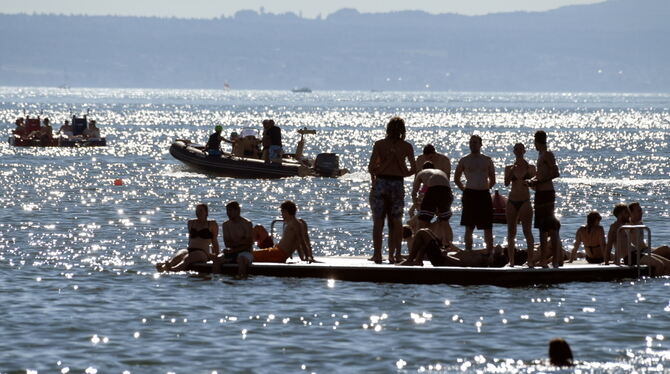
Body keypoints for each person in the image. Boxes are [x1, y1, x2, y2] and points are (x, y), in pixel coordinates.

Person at [367, 117, 417, 264]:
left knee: (379, 221)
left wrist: (388, 162)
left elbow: (371, 168)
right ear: (402, 130)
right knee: (395, 221)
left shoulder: (381, 144)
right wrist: (400, 167)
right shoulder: (406, 146)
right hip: (396, 183)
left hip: (382, 182)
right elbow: (413, 169)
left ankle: (378, 255)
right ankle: (394, 255)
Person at [454, 135, 496, 253]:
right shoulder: (464, 160)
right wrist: (464, 189)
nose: (473, 145)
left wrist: (487, 188)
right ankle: (468, 252)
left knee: (487, 226)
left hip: (484, 194)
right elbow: (456, 178)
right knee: (469, 226)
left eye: (475, 142)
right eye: (471, 142)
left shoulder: (487, 160)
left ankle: (489, 253)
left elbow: (493, 179)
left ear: (480, 144)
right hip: (470, 194)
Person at [527, 130, 561, 268]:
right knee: (541, 227)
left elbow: (555, 173)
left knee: (551, 227)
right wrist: (531, 181)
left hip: (547, 193)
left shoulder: (548, 154)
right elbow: (540, 175)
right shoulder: (540, 155)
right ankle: (543, 260)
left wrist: (538, 182)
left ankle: (555, 260)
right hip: (539, 193)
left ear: (537, 141)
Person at [156, 204, 220, 272]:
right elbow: (190, 239)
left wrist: (217, 256)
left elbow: (214, 241)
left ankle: (173, 269)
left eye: (201, 211)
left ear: (206, 212)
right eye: (197, 211)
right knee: (179, 255)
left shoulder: (212, 224)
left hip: (203, 253)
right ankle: (164, 267)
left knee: (187, 259)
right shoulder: (191, 223)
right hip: (190, 250)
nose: (198, 213)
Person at [504, 143, 536, 267]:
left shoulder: (530, 168)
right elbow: (506, 183)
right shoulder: (509, 167)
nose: (518, 151)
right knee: (511, 233)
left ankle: (530, 261)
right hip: (512, 201)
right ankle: (511, 261)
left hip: (525, 201)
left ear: (524, 150)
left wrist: (529, 182)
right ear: (513, 151)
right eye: (516, 149)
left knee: (527, 232)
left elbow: (535, 187)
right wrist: (511, 172)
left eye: (520, 149)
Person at [412, 161, 453, 246]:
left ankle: (419, 246)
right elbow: (432, 188)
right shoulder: (440, 173)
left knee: (422, 222)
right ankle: (447, 244)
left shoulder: (421, 173)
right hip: (447, 191)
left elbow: (414, 192)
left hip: (434, 191)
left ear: (423, 168)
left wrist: (416, 205)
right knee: (444, 221)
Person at [220, 201, 254, 279]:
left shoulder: (247, 223)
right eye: (227, 210)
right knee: (217, 259)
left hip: (245, 252)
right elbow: (227, 244)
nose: (228, 213)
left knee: (241, 260)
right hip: (231, 252)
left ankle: (241, 279)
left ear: (237, 211)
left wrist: (235, 246)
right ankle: (216, 282)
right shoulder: (226, 225)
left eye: (230, 210)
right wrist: (241, 242)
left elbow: (248, 244)